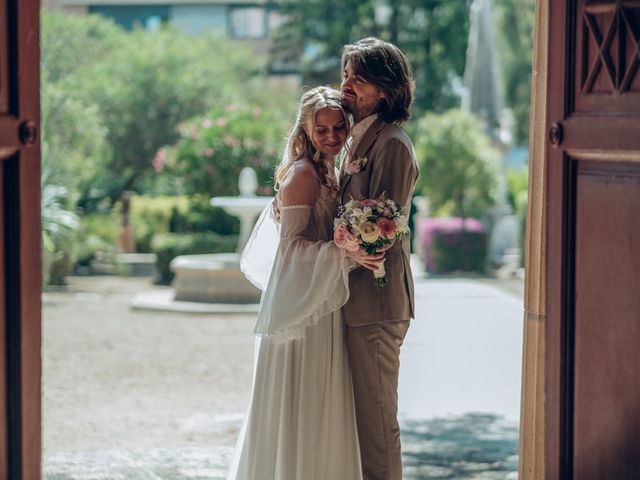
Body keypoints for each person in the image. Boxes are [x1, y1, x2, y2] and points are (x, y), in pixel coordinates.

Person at [228, 86, 383, 480]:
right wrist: (346, 253)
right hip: (300, 314)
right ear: (305, 130)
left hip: (321, 301)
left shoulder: (331, 171)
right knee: (301, 404)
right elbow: (291, 251)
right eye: (322, 130)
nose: (332, 137)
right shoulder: (302, 174)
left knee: (320, 404)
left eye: (338, 128)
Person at [339, 37, 419, 480]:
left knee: (375, 423)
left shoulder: (392, 144)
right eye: (345, 73)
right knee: (358, 425)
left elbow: (379, 232)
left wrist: (332, 241)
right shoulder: (357, 140)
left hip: (376, 304)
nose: (346, 84)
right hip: (353, 302)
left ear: (386, 89)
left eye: (358, 76)